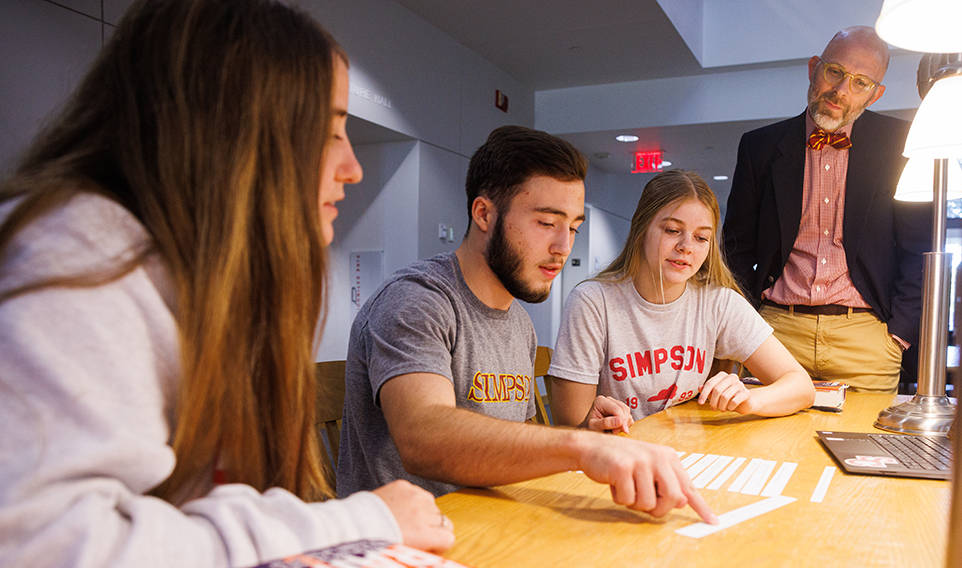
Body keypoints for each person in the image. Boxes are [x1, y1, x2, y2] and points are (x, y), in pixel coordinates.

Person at [0, 1, 454, 566]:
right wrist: (358, 520)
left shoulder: (202, 274)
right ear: (235, 126)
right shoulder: (75, 256)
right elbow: (47, 548)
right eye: (329, 129)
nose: (353, 167)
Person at [337, 126, 718, 525]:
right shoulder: (416, 300)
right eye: (545, 223)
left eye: (572, 226)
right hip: (407, 541)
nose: (564, 246)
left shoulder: (518, 323)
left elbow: (513, 441)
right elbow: (423, 436)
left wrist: (590, 431)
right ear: (483, 213)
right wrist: (579, 447)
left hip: (494, 527)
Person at [722, 26, 933, 393]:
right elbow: (736, 249)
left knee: (864, 449)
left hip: (867, 340)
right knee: (767, 448)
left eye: (860, 82)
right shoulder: (759, 147)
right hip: (776, 335)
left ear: (876, 93)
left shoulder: (904, 145)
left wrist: (897, 335)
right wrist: (747, 321)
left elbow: (920, 253)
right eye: (834, 72)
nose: (841, 91)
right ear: (813, 68)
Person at [548, 170, 815, 429]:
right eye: (673, 230)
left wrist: (750, 399)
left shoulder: (718, 303)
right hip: (620, 456)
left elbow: (801, 387)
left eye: (701, 237)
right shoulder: (593, 302)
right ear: (641, 228)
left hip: (688, 451)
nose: (686, 246)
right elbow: (572, 427)